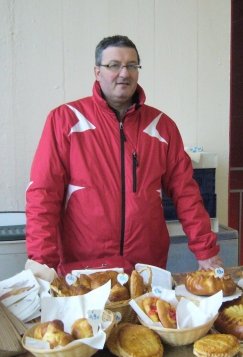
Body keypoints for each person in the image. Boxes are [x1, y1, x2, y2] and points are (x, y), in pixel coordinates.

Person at [25, 35, 223, 275]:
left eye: (131, 65)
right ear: (97, 72)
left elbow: (186, 193)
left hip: (147, 266)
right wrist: (42, 263)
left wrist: (206, 251)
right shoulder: (65, 120)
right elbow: (43, 195)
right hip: (84, 267)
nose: (124, 73)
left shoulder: (162, 126)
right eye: (114, 65)